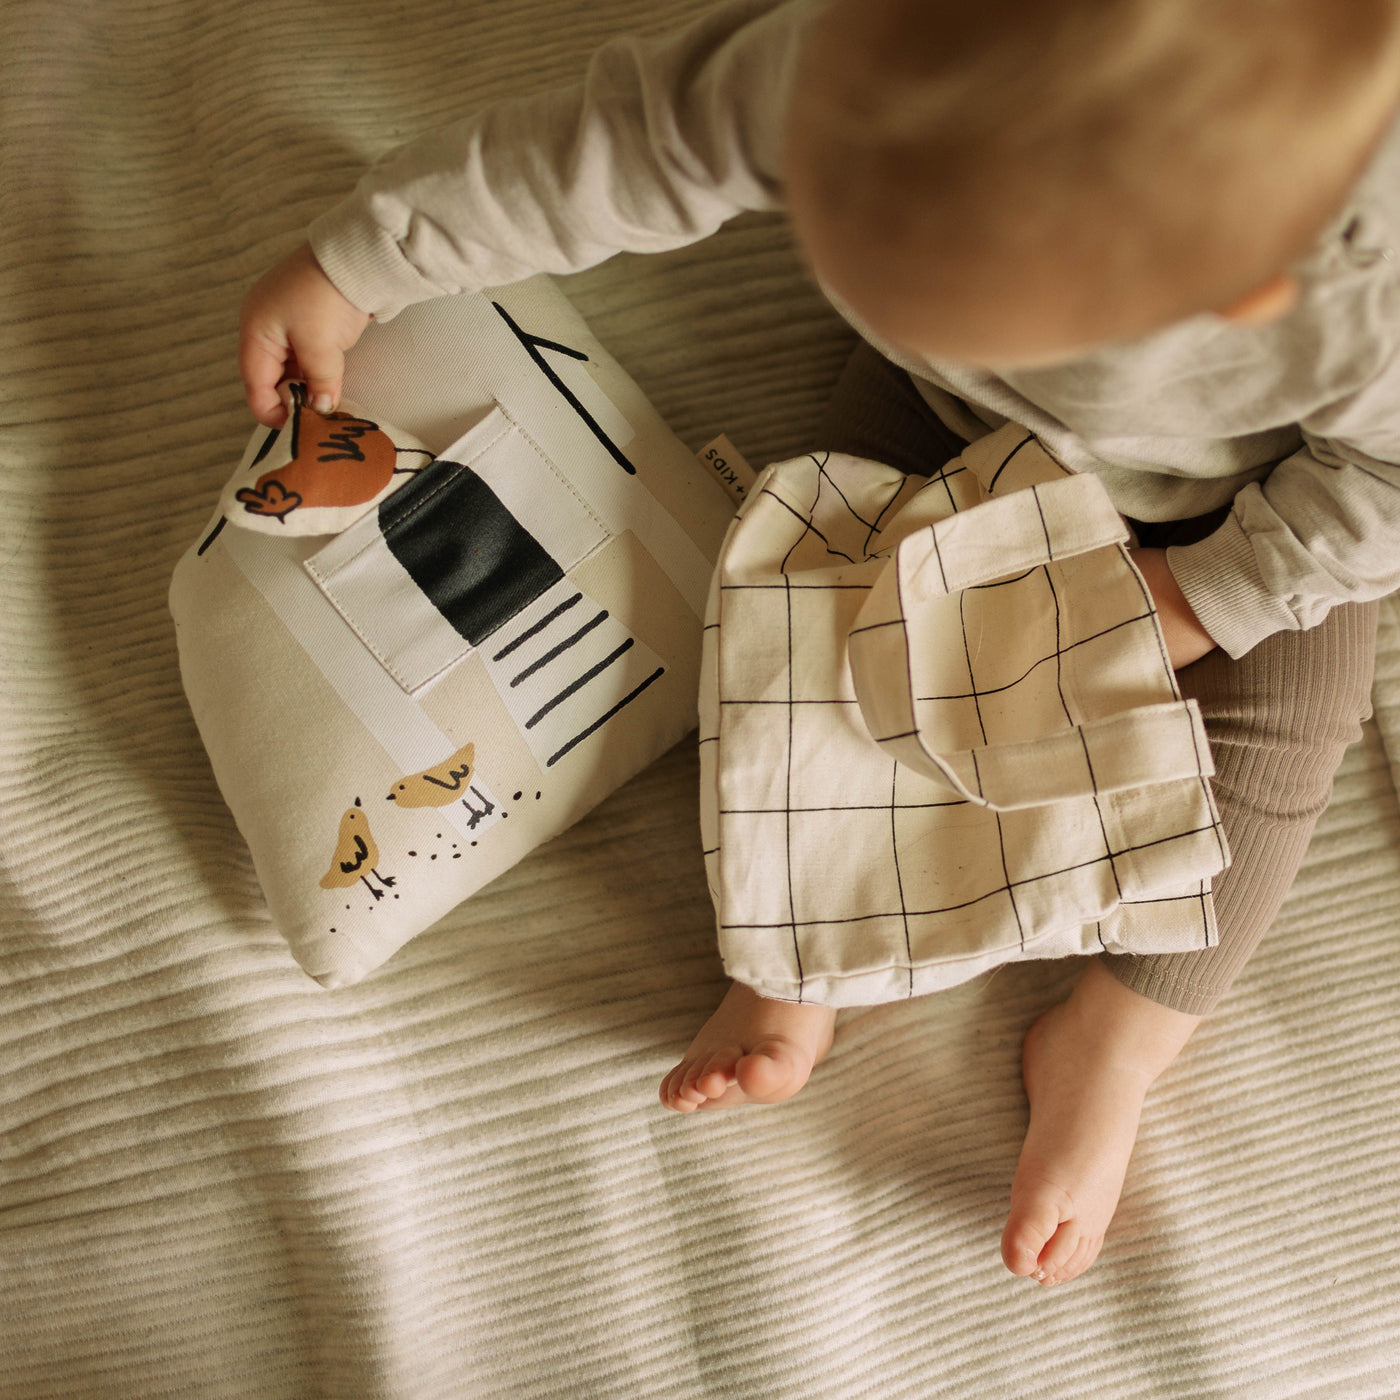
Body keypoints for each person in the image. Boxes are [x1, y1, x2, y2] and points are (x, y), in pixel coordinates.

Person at [237, 0, 1400, 1287]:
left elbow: (1383, 485)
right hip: (932, 413)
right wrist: (361, 260)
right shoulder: (865, 59)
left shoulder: (1359, 286)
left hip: (1244, 497)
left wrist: (1200, 597)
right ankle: (801, 958)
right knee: (803, 603)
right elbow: (628, 140)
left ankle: (1117, 1038)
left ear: (1245, 288)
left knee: (1290, 716)